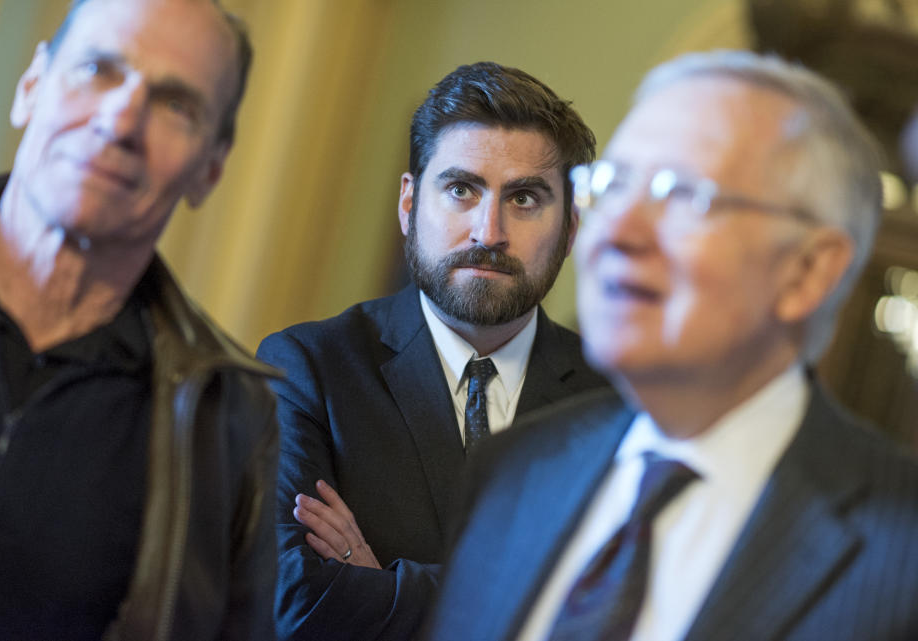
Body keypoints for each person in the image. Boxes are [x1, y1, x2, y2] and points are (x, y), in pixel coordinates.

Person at [426, 50, 918, 641]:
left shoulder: (901, 551)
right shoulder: (516, 469)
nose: (617, 233)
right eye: (611, 185)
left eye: (681, 194)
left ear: (808, 271)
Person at [0, 1, 280, 639]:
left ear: (210, 169)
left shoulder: (235, 423)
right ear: (30, 88)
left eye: (175, 105)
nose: (120, 121)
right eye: (99, 70)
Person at [257, 61, 608, 640]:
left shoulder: (617, 403)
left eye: (523, 199)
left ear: (570, 228)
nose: (487, 231)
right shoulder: (307, 368)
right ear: (409, 203)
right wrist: (539, 594)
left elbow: (624, 614)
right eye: (461, 189)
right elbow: (298, 603)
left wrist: (382, 584)